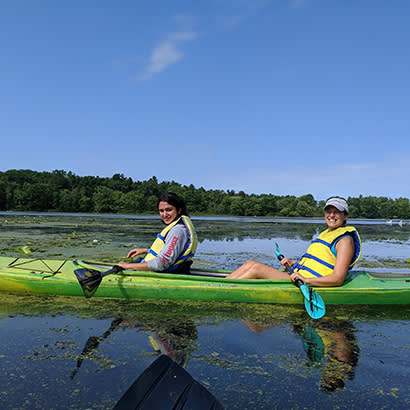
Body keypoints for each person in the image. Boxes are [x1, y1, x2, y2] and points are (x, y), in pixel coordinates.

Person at [227, 197, 361, 287]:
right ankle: (222, 285)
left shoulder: (345, 241)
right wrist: (293, 263)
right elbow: (316, 262)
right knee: (249, 264)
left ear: (345, 216)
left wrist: (306, 280)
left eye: (336, 212)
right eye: (328, 211)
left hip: (301, 282)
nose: (331, 215)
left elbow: (338, 279)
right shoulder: (327, 234)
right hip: (295, 275)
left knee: (255, 268)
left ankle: (220, 289)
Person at [117, 192, 198, 274]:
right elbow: (170, 251)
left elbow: (162, 263)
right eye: (161, 211)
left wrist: (127, 266)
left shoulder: (178, 231)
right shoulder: (178, 227)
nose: (165, 214)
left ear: (179, 210)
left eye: (169, 210)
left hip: (170, 273)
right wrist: (146, 251)